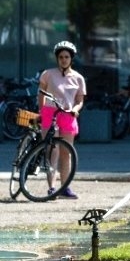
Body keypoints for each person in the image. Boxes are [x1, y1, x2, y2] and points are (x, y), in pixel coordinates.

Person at [38, 40, 87, 199]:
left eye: (66, 57)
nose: (63, 59)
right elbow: (41, 94)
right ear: (57, 58)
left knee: (67, 153)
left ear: (71, 58)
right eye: (61, 57)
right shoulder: (48, 74)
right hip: (50, 114)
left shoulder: (78, 78)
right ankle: (51, 188)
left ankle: (65, 187)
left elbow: (80, 100)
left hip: (68, 115)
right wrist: (41, 112)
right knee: (52, 151)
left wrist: (75, 109)